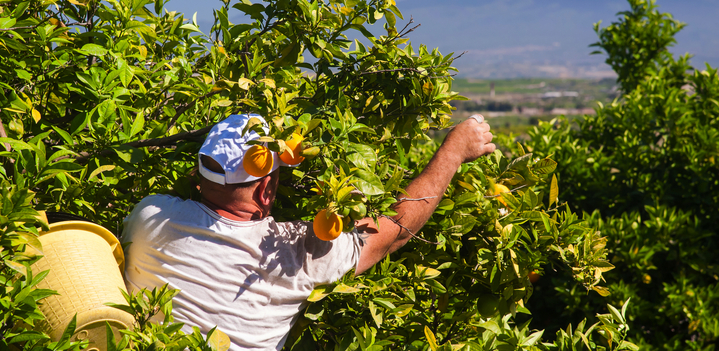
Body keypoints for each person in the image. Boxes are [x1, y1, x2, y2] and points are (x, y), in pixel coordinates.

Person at [122, 113, 494, 350]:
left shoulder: (149, 215)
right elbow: (394, 229)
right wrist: (454, 150)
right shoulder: (301, 252)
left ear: (198, 176)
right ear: (266, 189)